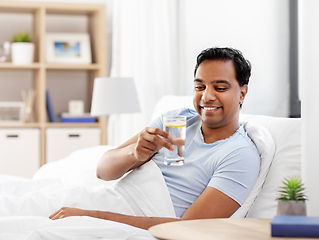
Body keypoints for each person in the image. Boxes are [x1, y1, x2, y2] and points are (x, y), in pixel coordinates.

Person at [49, 47, 261, 230]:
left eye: (220, 88)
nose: (206, 96)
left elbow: (192, 229)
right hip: (109, 201)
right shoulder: (178, 120)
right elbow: (103, 171)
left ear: (242, 93)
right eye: (199, 87)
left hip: (129, 221)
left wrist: (93, 217)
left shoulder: (240, 155)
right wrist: (136, 153)